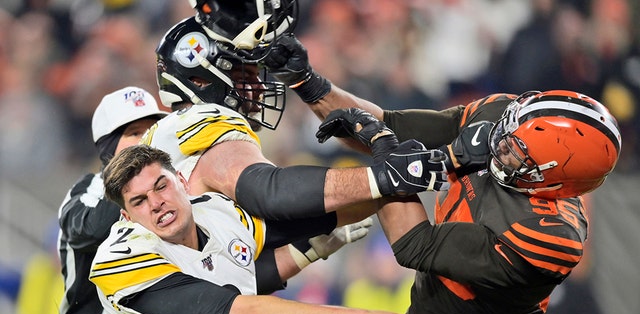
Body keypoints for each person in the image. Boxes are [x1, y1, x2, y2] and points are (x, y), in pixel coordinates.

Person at [313, 91, 621, 314]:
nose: (498, 142)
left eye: (516, 150)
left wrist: (387, 146)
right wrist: (307, 83)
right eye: (507, 130)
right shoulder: (504, 118)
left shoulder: (547, 236)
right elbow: (392, 123)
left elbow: (414, 244)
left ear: (553, 180)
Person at [143, 16, 447, 231]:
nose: (260, 88)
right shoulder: (203, 120)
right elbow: (269, 192)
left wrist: (372, 195)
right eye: (247, 76)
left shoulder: (173, 134)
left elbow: (244, 252)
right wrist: (381, 178)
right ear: (200, 79)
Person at [90, 144, 410, 314]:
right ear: (126, 218)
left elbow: (317, 215)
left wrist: (390, 184)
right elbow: (233, 310)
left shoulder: (216, 212)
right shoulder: (120, 259)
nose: (157, 203)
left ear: (183, 182)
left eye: (161, 186)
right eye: (140, 201)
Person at [57, 86, 169, 314]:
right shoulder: (88, 190)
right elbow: (91, 230)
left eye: (152, 130)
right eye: (135, 132)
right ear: (109, 146)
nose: (147, 140)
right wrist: (128, 181)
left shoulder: (171, 188)